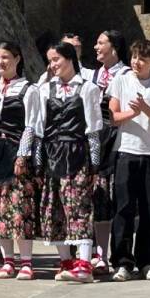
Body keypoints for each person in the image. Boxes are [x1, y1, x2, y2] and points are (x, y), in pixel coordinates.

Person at [107, 39, 150, 281]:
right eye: (134, 57)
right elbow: (113, 116)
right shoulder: (121, 80)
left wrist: (144, 107)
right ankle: (122, 262)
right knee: (123, 209)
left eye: (142, 59)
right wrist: (132, 112)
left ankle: (148, 261)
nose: (136, 62)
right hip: (126, 152)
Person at [38, 42, 103, 284]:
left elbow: (94, 129)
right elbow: (39, 127)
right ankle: (66, 261)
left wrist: (94, 164)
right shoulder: (45, 90)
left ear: (69, 59)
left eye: (56, 60)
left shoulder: (88, 89)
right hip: (53, 152)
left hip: (77, 152)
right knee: (54, 206)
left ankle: (84, 263)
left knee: (80, 207)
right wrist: (37, 159)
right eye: (50, 61)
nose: (53, 65)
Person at [0, 41, 41, 281]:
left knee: (19, 208)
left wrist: (22, 155)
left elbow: (30, 126)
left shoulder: (28, 89)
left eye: (6, 58)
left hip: (15, 151)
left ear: (17, 59)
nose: (1, 62)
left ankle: (26, 262)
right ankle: (7, 261)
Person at [88, 29, 129, 275]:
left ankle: (121, 254)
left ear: (114, 48)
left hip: (118, 142)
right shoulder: (93, 75)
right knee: (98, 198)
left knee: (118, 199)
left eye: (100, 42)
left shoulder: (125, 75)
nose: (96, 47)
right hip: (96, 142)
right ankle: (99, 253)